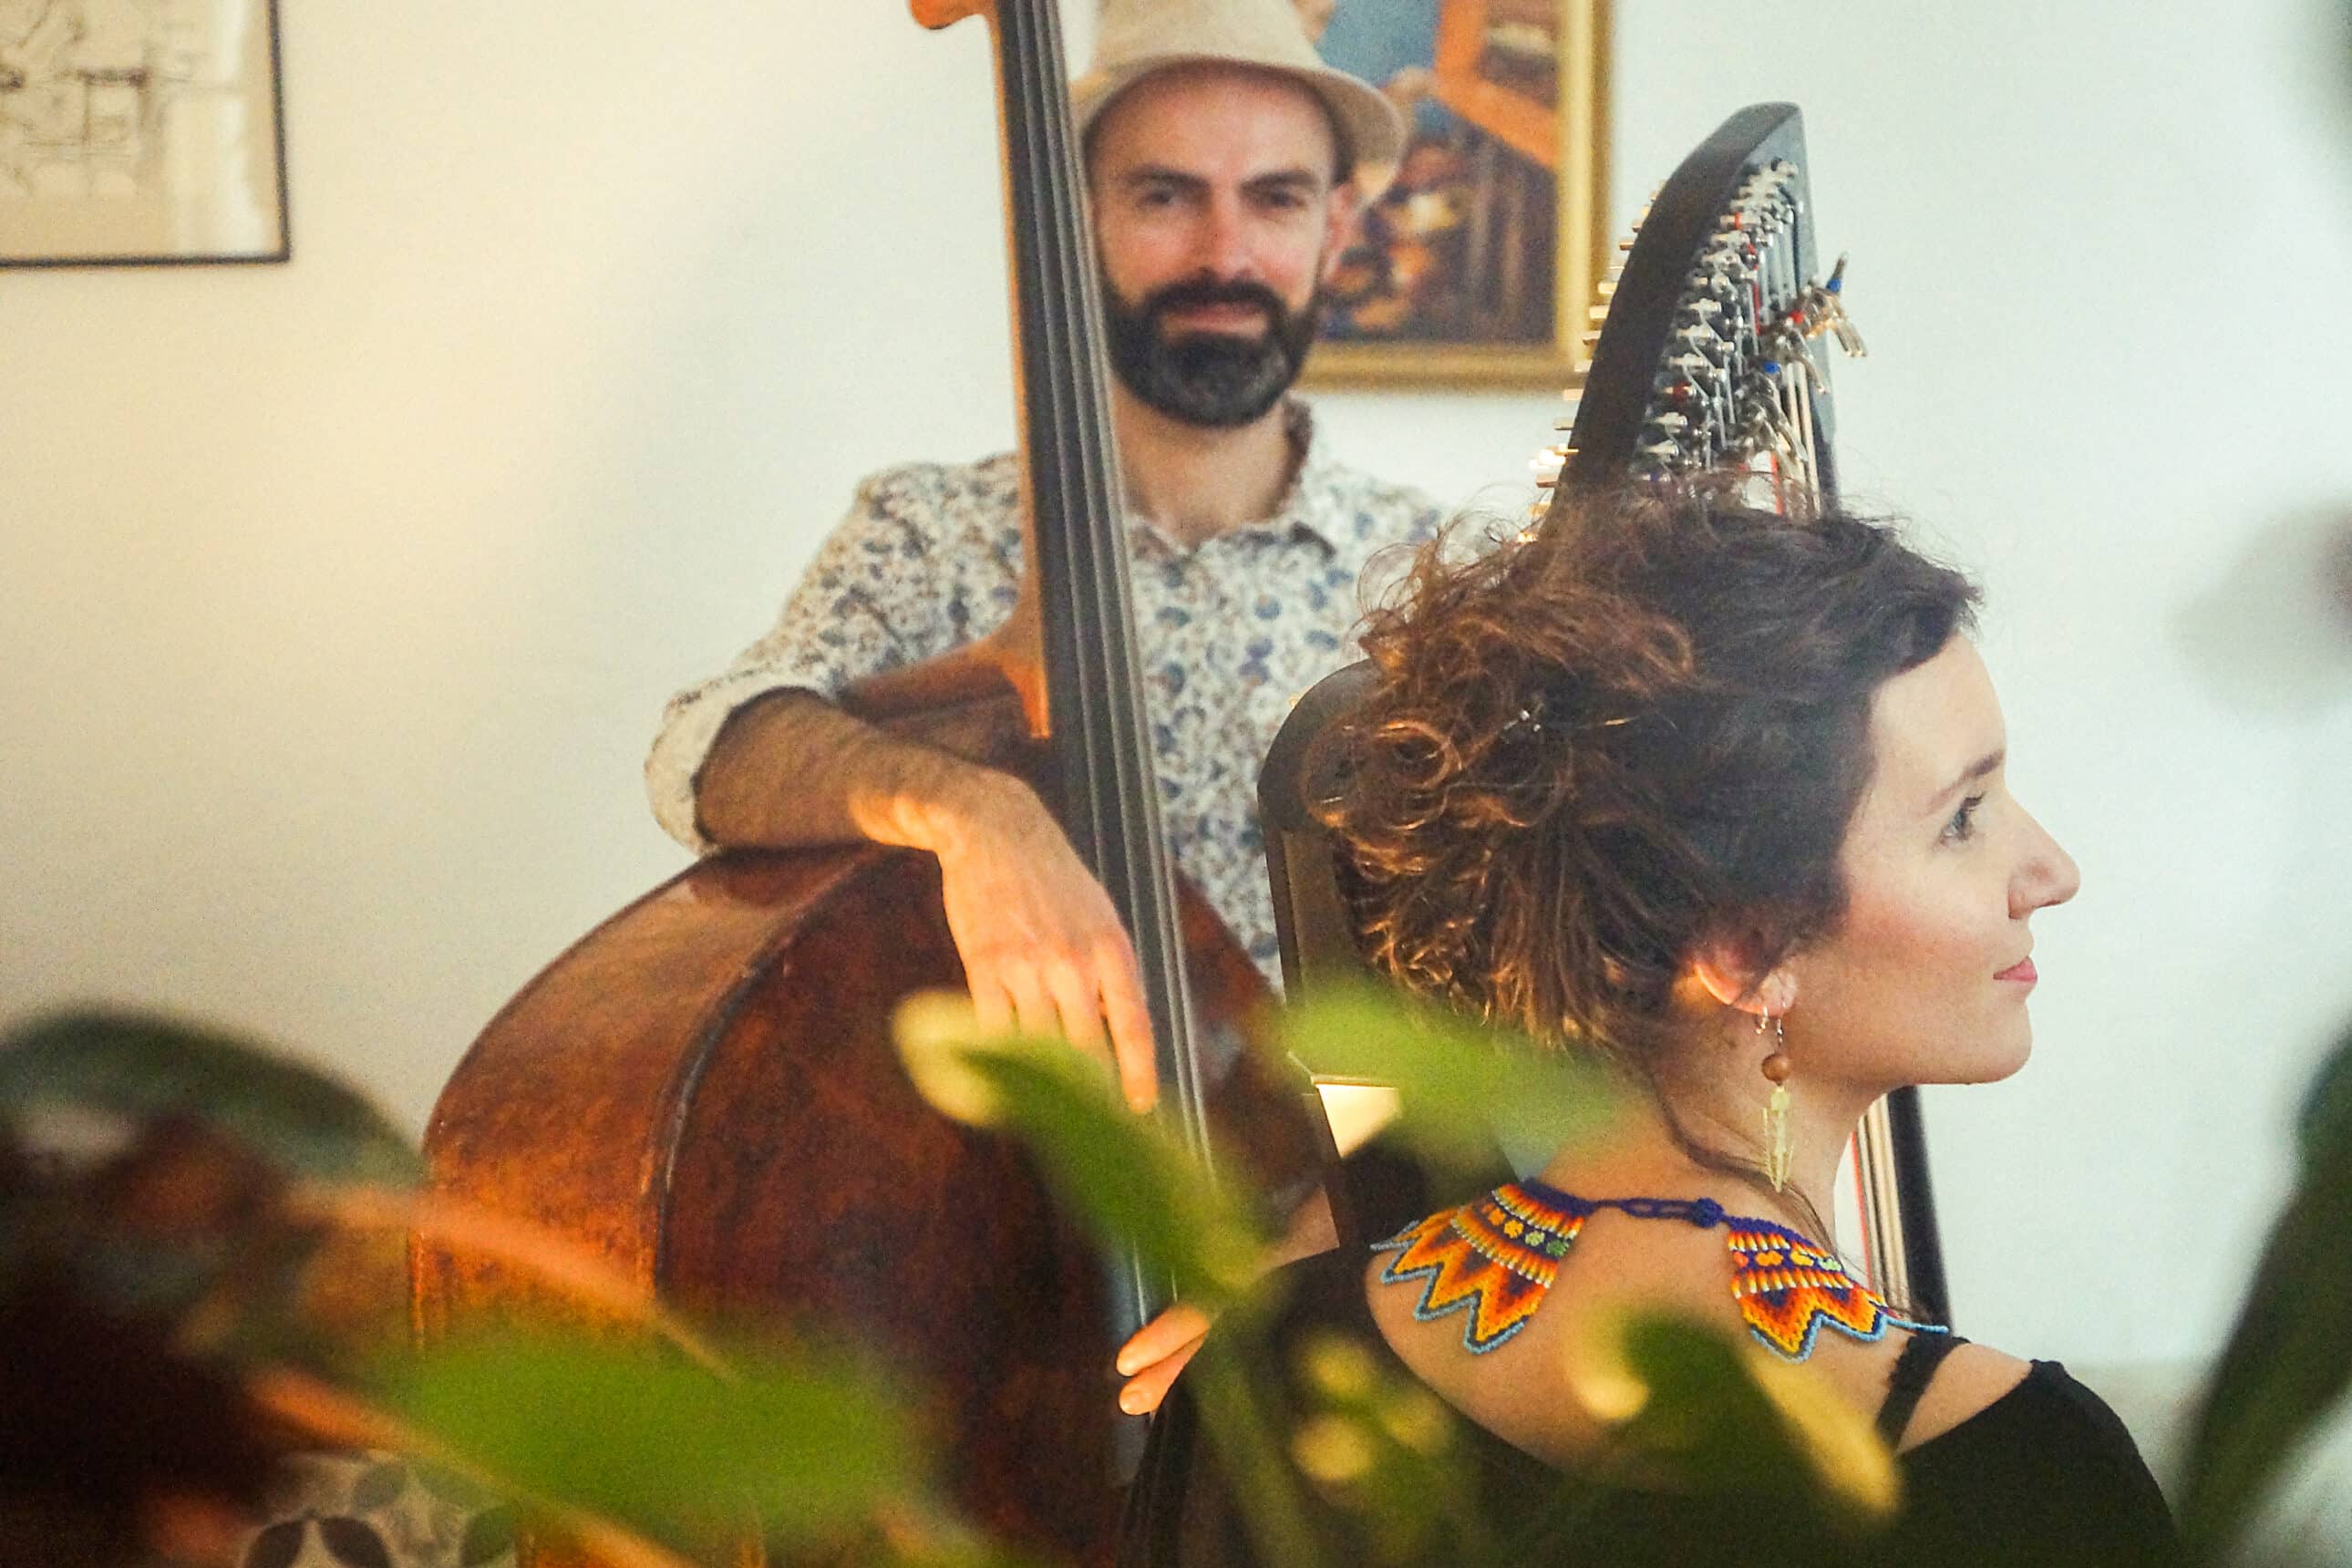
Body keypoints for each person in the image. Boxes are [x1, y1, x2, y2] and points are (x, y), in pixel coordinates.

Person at [1121, 478, 2184, 1565]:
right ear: (1747, 951)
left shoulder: (1264, 1370)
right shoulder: (2029, 1471)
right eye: (1963, 818)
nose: (2051, 870)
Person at [644, 0, 1439, 1115]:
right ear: (1074, 215)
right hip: (1020, 1186)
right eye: (1164, 196)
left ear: (1336, 227)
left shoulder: (1431, 577)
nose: (1224, 254)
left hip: (1356, 1200)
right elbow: (714, 752)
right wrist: (974, 813)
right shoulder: (932, 534)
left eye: (1275, 198)